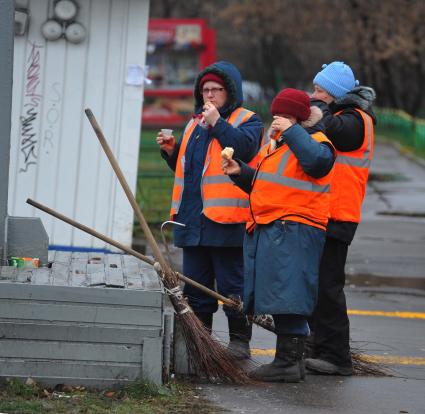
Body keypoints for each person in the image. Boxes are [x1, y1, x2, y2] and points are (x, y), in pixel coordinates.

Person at [222, 88, 335, 382]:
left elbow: (319, 163)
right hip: (275, 226)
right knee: (283, 293)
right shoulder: (274, 146)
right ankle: (290, 362)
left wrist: (294, 131)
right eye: (276, 115)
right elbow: (263, 185)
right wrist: (239, 172)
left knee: (291, 292)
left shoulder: (316, 141)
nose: (278, 121)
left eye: (285, 116)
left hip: (297, 227)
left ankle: (287, 363)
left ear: (298, 118)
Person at [156, 61, 263, 359]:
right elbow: (192, 172)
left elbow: (244, 150)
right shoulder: (194, 124)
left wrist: (218, 123)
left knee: (233, 286)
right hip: (192, 220)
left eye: (217, 90)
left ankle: (239, 343)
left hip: (227, 220)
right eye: (206, 90)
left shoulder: (248, 120)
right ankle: (199, 344)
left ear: (230, 92)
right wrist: (172, 152)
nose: (211, 96)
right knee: (196, 287)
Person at [306, 61, 376, 376]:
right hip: (323, 212)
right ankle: (318, 346)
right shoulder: (340, 116)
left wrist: (314, 115)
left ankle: (336, 357)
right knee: (317, 285)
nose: (314, 95)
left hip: (338, 214)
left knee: (328, 286)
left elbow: (337, 132)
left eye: (320, 90)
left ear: (335, 94)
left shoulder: (356, 120)